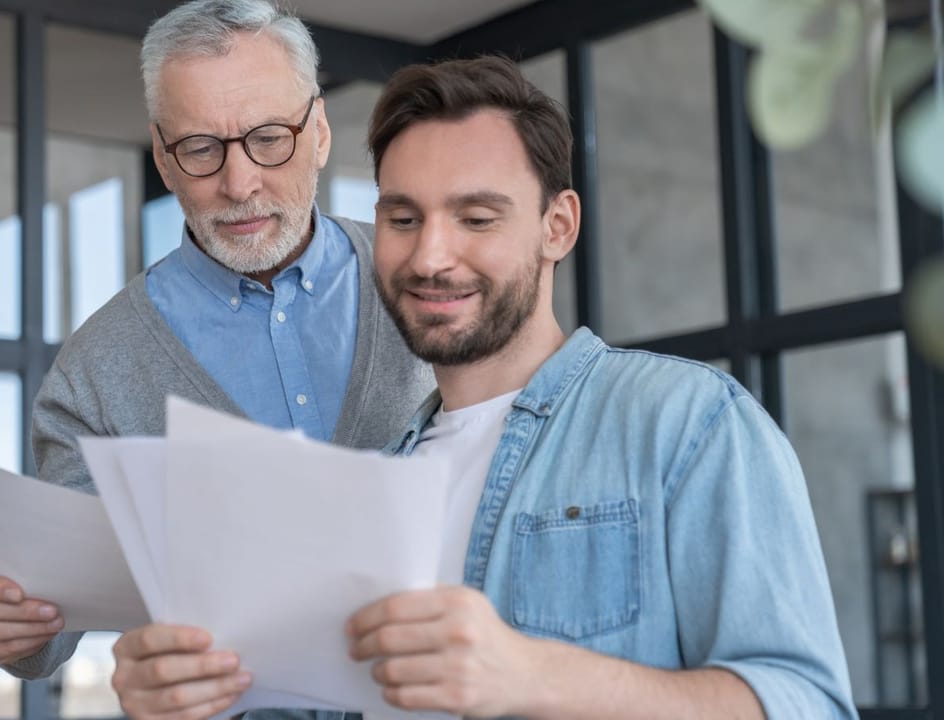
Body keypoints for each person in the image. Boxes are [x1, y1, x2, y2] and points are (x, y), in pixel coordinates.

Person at [105, 56, 858, 720]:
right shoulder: (374, 485)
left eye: (476, 217)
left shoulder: (687, 425)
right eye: (404, 218)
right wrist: (190, 701)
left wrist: (536, 676)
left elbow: (807, 704)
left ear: (557, 227)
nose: (431, 256)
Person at [0, 0, 432, 683]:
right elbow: (49, 618)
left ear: (320, 131)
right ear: (164, 159)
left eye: (270, 138)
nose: (239, 184)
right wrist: (9, 620)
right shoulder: (96, 370)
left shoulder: (428, 283)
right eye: (201, 149)